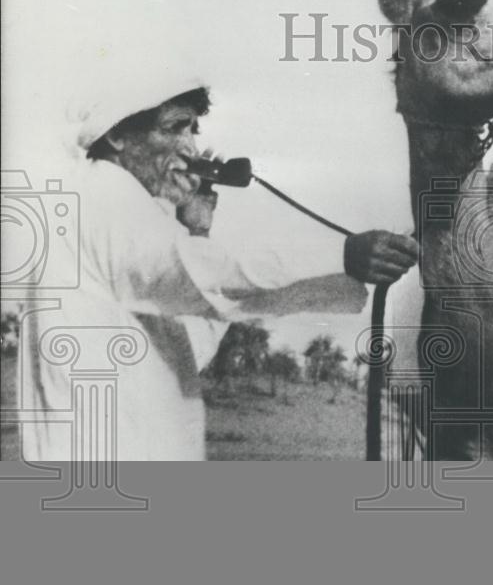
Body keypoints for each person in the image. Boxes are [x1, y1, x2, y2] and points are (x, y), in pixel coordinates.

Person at [21, 84, 419, 460]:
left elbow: (190, 348)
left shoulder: (133, 220)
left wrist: (198, 229)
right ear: (117, 137)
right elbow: (204, 275)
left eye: (193, 129)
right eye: (173, 128)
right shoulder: (103, 195)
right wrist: (343, 255)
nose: (190, 148)